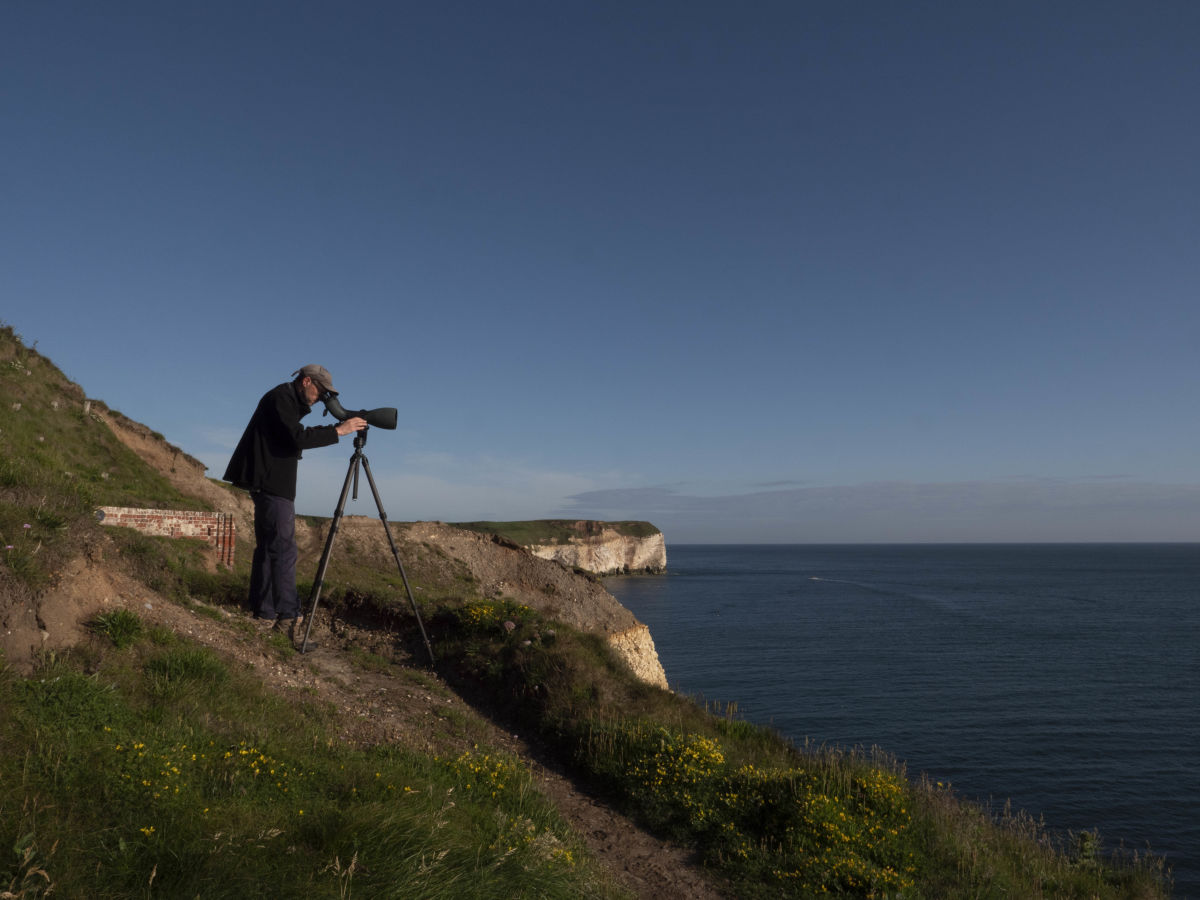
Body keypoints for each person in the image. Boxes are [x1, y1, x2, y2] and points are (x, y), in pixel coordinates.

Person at [223, 365, 366, 643]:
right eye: (321, 391)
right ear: (307, 381)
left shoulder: (285, 399)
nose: (321, 397)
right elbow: (296, 437)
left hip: (268, 480)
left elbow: (294, 433)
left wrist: (335, 424)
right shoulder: (281, 398)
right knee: (284, 549)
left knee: (268, 548)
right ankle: (288, 617)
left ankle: (263, 613)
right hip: (272, 483)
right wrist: (339, 430)